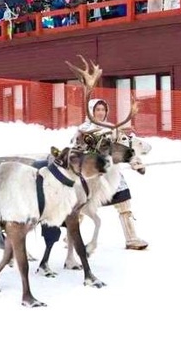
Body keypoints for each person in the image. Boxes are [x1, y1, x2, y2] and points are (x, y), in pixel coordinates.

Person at [76, 98, 147, 250]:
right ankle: (70, 235)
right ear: (91, 111)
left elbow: (124, 147)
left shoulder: (112, 129)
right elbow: (76, 150)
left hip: (112, 174)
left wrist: (135, 161)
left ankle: (131, 238)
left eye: (103, 110)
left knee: (124, 202)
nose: (101, 113)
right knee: (81, 205)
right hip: (92, 175)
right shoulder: (83, 130)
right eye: (97, 110)